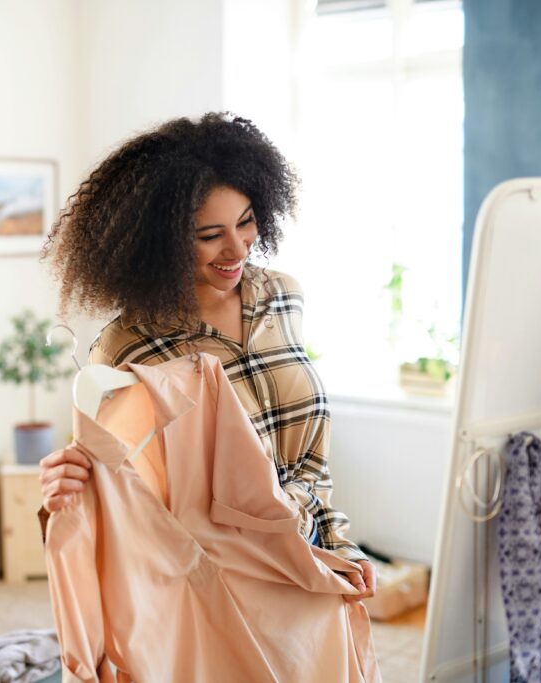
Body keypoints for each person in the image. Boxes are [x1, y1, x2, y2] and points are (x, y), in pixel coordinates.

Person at [37, 111, 376, 603]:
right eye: (209, 235)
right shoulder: (127, 349)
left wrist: (341, 544)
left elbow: (309, 466)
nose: (237, 248)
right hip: (218, 589)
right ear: (163, 241)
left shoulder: (283, 297)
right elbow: (115, 498)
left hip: (314, 563)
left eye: (246, 222)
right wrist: (61, 489)